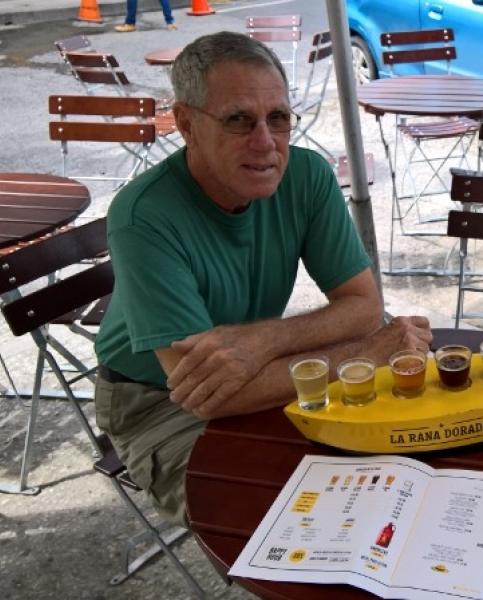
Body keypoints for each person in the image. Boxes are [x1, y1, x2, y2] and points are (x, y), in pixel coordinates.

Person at [93, 31, 432, 526]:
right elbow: (214, 394)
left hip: (266, 368)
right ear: (186, 123)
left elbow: (361, 304)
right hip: (157, 403)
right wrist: (363, 353)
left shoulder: (307, 175)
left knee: (395, 473)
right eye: (238, 120)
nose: (266, 143)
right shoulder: (143, 215)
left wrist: (263, 339)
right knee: (285, 518)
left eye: (278, 118)